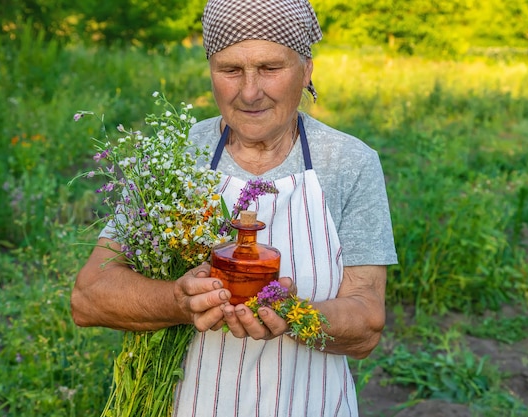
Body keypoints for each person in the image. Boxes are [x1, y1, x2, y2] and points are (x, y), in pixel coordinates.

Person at [71, 0, 398, 415]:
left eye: (269, 68)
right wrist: (178, 301)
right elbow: (88, 297)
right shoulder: (174, 157)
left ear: (307, 70)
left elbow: (366, 320)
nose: (249, 92)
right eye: (230, 70)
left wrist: (292, 313)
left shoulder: (348, 163)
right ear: (211, 72)